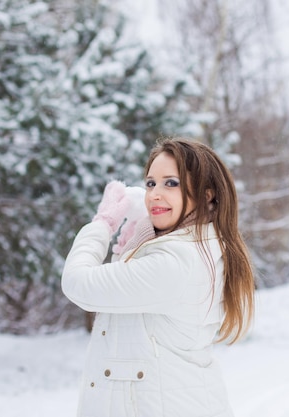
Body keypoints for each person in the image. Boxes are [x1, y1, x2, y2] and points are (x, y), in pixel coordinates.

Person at [61, 137, 255, 417]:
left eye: (171, 183)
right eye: (150, 183)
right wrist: (135, 240)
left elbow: (77, 283)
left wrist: (103, 223)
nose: (154, 194)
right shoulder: (186, 248)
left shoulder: (177, 262)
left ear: (207, 194)